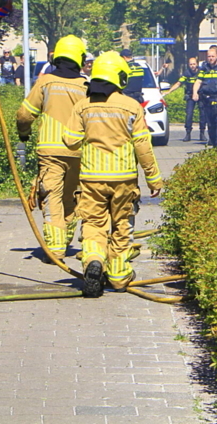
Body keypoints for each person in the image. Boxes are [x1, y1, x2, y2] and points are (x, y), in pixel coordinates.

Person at [63, 51, 164, 297]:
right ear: (120, 77)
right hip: (124, 180)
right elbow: (143, 146)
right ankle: (118, 277)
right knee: (122, 226)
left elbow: (70, 141)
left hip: (91, 180)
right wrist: (154, 178)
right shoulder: (131, 107)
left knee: (94, 225)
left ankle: (94, 261)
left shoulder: (82, 106)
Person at [16, 36, 90, 261]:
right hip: (78, 151)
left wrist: (24, 134)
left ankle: (56, 249)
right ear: (80, 58)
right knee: (71, 196)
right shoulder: (86, 85)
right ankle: (64, 240)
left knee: (52, 197)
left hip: (50, 152)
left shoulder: (45, 82)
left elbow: (24, 114)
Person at [163, 57, 205, 142]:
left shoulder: (202, 72)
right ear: (188, 65)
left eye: (194, 64)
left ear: (197, 64)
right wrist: (169, 91)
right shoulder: (186, 73)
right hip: (190, 96)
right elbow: (179, 83)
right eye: (190, 64)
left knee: (203, 115)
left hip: (201, 95)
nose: (192, 66)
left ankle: (202, 133)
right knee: (189, 114)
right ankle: (188, 133)